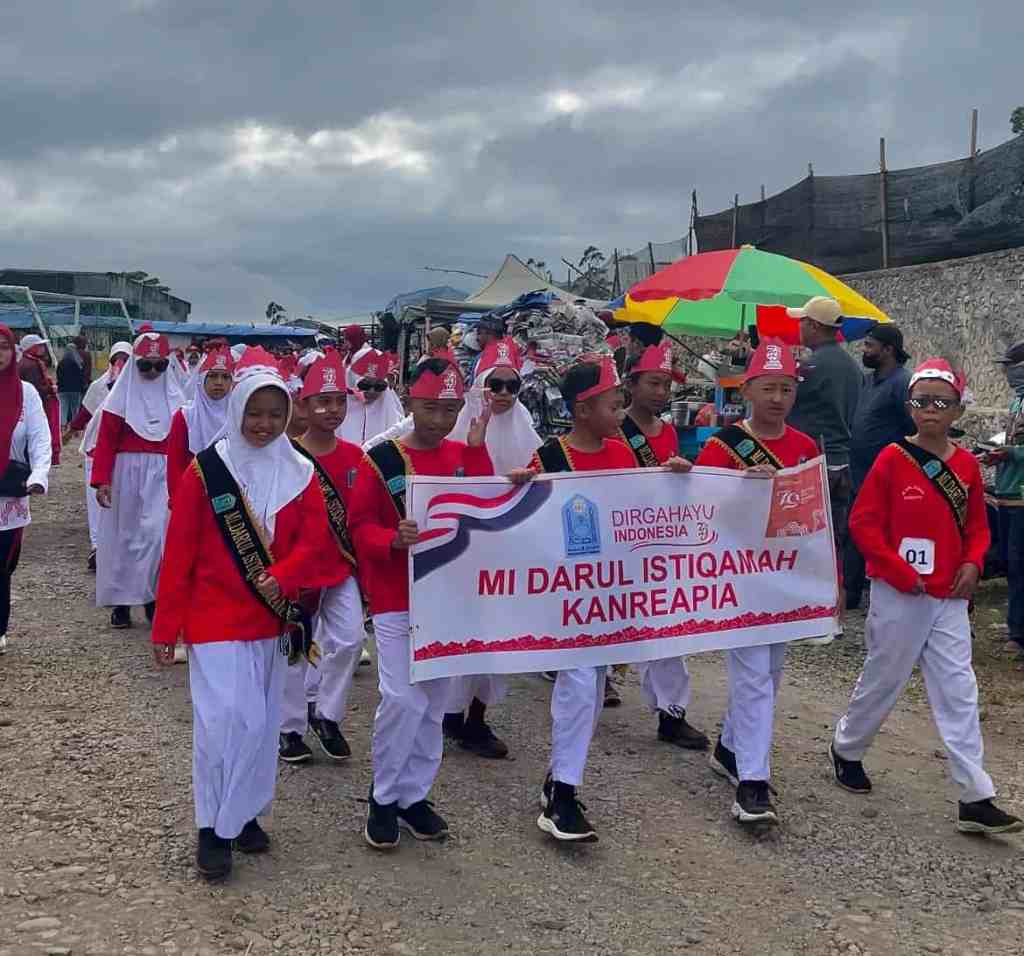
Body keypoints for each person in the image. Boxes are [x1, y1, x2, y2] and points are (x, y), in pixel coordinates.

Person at [151, 347, 336, 881]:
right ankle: (212, 826)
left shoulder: (300, 472)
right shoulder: (206, 472)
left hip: (269, 619)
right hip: (211, 619)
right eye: (254, 412)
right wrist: (166, 626)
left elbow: (317, 545)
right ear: (237, 410)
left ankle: (247, 811)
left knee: (260, 725)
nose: (264, 424)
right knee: (224, 723)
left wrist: (285, 574)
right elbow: (179, 552)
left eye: (275, 414)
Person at [830, 359, 1022, 836]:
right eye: (921, 401)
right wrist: (897, 570)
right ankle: (847, 748)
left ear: (958, 409)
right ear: (909, 406)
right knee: (885, 678)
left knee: (959, 690)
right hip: (899, 592)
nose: (930, 410)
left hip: (949, 595)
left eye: (941, 401)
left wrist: (973, 563)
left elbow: (977, 526)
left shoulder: (966, 466)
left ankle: (974, 795)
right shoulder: (892, 458)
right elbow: (864, 524)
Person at [519, 356, 691, 843]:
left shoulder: (622, 456)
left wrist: (676, 480)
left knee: (591, 691)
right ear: (581, 409)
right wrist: (516, 489)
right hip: (565, 598)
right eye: (613, 405)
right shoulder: (548, 458)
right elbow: (523, 525)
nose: (620, 413)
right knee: (577, 685)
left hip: (607, 598)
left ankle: (559, 777)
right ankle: (563, 796)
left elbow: (642, 515)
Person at [349, 357, 494, 851]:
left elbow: (484, 508)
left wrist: (477, 450)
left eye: (450, 410)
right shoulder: (381, 459)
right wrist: (390, 538)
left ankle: (413, 796)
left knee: (433, 702)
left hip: (445, 598)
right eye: (431, 408)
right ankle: (383, 796)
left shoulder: (461, 453)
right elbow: (358, 525)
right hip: (395, 598)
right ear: (411, 401)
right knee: (401, 698)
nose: (440, 420)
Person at [696, 339, 820, 826]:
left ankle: (730, 747)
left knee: (771, 670)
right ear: (746, 390)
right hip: (737, 576)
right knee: (752, 675)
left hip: (784, 577)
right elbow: (698, 511)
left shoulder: (805, 446)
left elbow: (813, 518)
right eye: (768, 388)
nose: (777, 398)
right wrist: (741, 488)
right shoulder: (722, 445)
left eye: (786, 389)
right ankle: (752, 782)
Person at [441, 337, 542, 760]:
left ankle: (477, 718)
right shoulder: (456, 426)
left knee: (498, 635)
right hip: (463, 548)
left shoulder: (527, 430)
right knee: (459, 630)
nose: (502, 394)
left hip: (508, 549)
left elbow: (542, 480)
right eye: (494, 384)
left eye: (511, 386)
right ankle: (448, 712)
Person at [621, 341, 709, 749]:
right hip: (619, 544)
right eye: (653, 383)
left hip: (660, 545)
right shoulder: (615, 428)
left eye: (666, 385)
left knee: (667, 627)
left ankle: (672, 712)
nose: (661, 392)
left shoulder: (669, 430)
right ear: (631, 384)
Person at [278, 351, 365, 764]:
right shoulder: (286, 456)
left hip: (340, 567)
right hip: (299, 572)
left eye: (339, 401)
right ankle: (289, 728)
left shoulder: (355, 456)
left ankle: (326, 714)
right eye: (322, 401)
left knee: (350, 640)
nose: (332, 410)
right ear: (303, 404)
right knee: (295, 649)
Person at [92, 333, 185, 629]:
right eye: (146, 366)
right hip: (126, 473)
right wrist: (102, 480)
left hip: (163, 473)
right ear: (134, 364)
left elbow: (185, 444)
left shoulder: (178, 400)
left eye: (160, 366)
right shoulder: (119, 398)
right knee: (125, 537)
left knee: (156, 537)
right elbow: (106, 440)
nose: (153, 372)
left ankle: (151, 597)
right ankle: (121, 603)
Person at [786, 296, 862, 641]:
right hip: (842, 461)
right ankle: (834, 617)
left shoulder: (812, 367)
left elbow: (786, 403)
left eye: (802, 322)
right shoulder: (851, 366)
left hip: (815, 463)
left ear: (815, 326)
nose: (798, 327)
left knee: (807, 540)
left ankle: (811, 616)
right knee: (835, 541)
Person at [846, 324, 915, 610]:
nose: (864, 350)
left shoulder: (903, 383)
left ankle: (887, 589)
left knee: (884, 533)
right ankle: (850, 593)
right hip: (858, 472)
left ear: (888, 350)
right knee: (855, 529)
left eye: (870, 346)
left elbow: (913, 428)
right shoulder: (867, 381)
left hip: (888, 476)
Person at [0, 325, 52, 656]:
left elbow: (39, 437)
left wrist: (39, 474)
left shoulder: (26, 394)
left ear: (13, 351)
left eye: (3, 347)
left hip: (8, 492)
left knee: (3, 563)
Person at [65, 342, 132, 571]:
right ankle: (97, 546)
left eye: (125, 360)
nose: (119, 364)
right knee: (96, 502)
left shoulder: (137, 389)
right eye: (116, 360)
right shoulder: (99, 386)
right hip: (95, 451)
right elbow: (85, 413)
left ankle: (118, 546)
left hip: (123, 454)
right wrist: (70, 431)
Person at [987, 341, 1024, 656]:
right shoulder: (1016, 403)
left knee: (1019, 564)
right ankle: (1016, 624)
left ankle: (1018, 633)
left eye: (1011, 366)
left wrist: (1010, 453)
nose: (1006, 373)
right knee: (1011, 564)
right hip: (1008, 492)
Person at [166, 348, 235, 503]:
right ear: (202, 378)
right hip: (191, 493)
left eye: (225, 377)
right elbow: (175, 463)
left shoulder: (238, 416)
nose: (219, 382)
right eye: (213, 376)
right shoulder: (185, 416)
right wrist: (176, 498)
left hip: (230, 497)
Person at [338, 349, 405, 446]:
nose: (372, 391)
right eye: (365, 385)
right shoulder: (335, 412)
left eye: (379, 386)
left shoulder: (397, 418)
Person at [18, 333, 61, 466]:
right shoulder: (31, 365)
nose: (43, 348)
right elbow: (35, 389)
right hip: (38, 405)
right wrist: (50, 389)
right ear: (32, 348)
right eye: (39, 346)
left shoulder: (28, 362)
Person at [57, 342, 87, 426]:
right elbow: (81, 376)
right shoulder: (78, 363)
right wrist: (82, 387)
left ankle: (62, 426)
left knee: (63, 408)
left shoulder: (61, 363)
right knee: (75, 409)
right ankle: (74, 426)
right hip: (75, 390)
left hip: (62, 389)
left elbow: (58, 375)